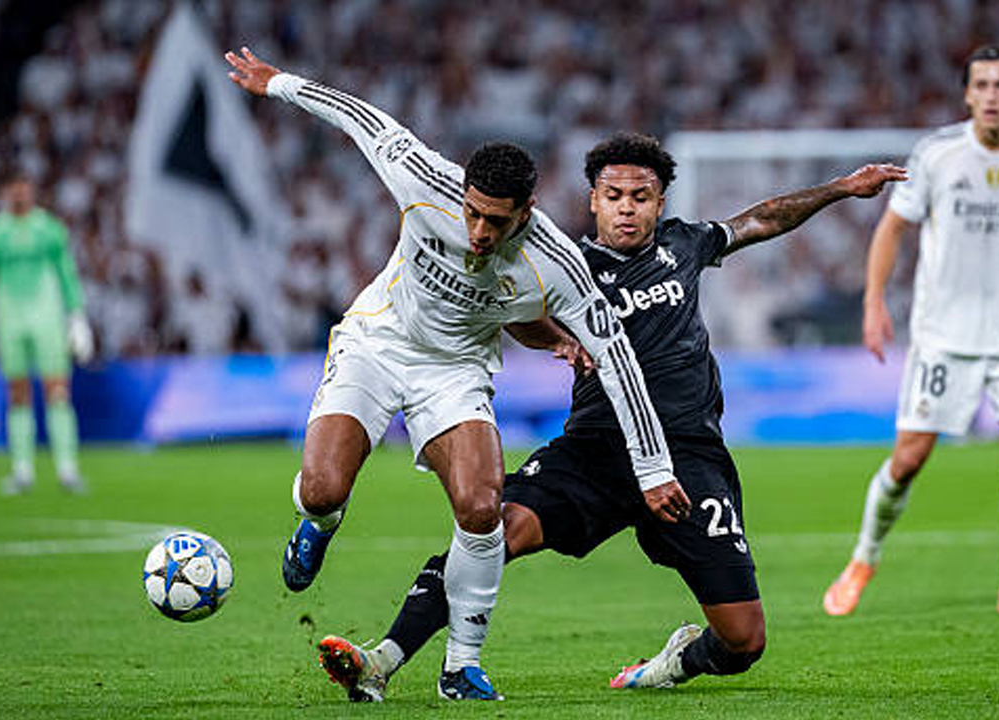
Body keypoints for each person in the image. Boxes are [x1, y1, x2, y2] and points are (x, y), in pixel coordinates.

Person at [311, 132, 905, 702]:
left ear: (659, 204)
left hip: (687, 458)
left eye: (640, 198)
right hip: (593, 450)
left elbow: (764, 217)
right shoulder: (559, 264)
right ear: (592, 200)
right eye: (613, 197)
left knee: (743, 640)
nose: (627, 210)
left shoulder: (685, 244)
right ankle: (382, 659)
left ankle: (674, 662)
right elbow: (514, 310)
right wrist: (555, 340)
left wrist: (841, 188)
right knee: (493, 529)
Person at [223, 49, 683, 701]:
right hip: (378, 341)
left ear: (526, 212)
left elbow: (616, 358)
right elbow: (361, 118)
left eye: (495, 222)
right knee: (324, 490)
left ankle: (460, 666)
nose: (476, 231)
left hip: (457, 369)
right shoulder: (422, 177)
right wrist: (278, 85)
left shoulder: (558, 264)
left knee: (481, 505)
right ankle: (318, 525)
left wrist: (654, 468)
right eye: (471, 213)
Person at [822, 46, 999, 618]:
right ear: (967, 94)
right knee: (909, 459)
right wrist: (874, 301)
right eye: (982, 85)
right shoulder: (938, 154)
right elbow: (893, 227)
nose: (992, 95)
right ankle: (863, 558)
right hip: (943, 334)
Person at [0, 175, 93, 495]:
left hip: (47, 319)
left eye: (24, 187)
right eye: (13, 188)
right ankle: (22, 470)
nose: (19, 193)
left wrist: (77, 315)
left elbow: (67, 273)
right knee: (18, 393)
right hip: (10, 321)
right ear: (4, 191)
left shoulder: (50, 229)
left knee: (58, 391)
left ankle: (67, 468)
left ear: (32, 191)